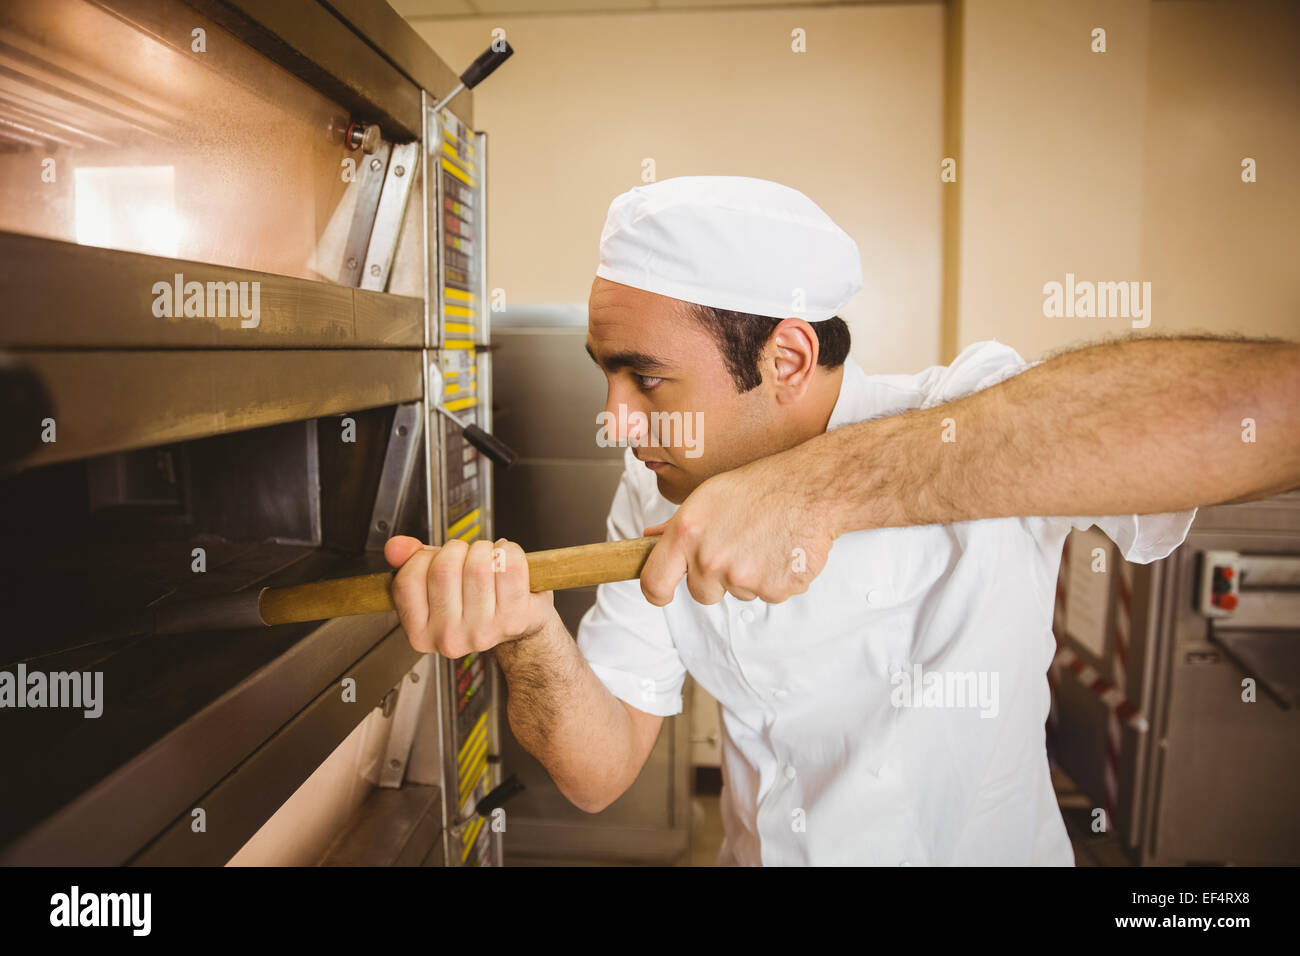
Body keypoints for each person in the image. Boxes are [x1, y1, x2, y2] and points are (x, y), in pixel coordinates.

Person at [383, 176, 1299, 865]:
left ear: (786, 356)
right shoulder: (655, 483)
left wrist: (819, 489)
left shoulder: (961, 413)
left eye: (645, 377)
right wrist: (527, 632)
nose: (618, 419)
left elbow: (1276, 410)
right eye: (606, 374)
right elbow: (597, 771)